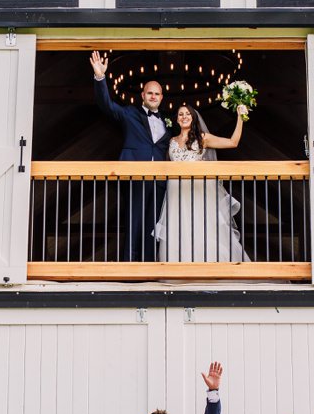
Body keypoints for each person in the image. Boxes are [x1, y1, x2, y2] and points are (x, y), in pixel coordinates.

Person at [90, 50, 170, 262]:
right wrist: (100, 77)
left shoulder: (167, 122)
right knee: (134, 221)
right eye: (149, 93)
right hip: (136, 175)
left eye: (157, 94)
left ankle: (151, 266)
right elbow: (106, 105)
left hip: (160, 180)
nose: (153, 96)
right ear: (143, 95)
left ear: (162, 98)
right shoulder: (129, 114)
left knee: (154, 225)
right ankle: (130, 267)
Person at [155, 103, 249, 263]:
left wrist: (240, 118)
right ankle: (180, 268)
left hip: (197, 191)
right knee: (179, 228)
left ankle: (211, 265)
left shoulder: (202, 138)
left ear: (193, 117)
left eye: (187, 114)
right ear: (177, 119)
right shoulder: (171, 141)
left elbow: (233, 142)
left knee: (202, 227)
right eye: (180, 114)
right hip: (176, 193)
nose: (184, 117)